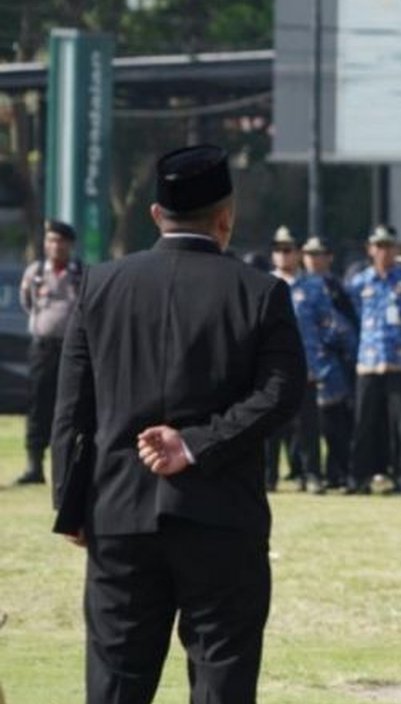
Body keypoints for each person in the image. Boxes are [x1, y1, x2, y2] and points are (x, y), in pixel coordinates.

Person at [51, 144, 307, 703]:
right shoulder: (262, 293)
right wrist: (195, 445)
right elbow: (282, 393)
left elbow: (71, 409)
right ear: (226, 216)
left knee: (117, 682)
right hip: (220, 517)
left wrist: (70, 506)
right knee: (221, 677)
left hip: (118, 514)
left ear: (155, 215)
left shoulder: (99, 286)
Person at [265, 226, 353, 494]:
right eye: (278, 250)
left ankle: (312, 474)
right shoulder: (264, 284)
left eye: (287, 250)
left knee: (308, 426)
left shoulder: (313, 286)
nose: (282, 255)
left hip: (307, 366)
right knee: (271, 426)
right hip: (272, 368)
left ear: (297, 253)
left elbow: (329, 323)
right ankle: (269, 477)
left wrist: (322, 354)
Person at [347, 224, 401, 495]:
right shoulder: (360, 282)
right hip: (369, 360)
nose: (383, 251)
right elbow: (352, 318)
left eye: (388, 246)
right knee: (364, 423)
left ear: (396, 249)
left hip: (400, 361)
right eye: (378, 246)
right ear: (370, 249)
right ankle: (359, 477)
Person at [15, 219, 82, 485]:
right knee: (38, 405)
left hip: (71, 349)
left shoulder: (79, 273)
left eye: (60, 241)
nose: (55, 246)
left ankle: (68, 467)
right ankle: (34, 466)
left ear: (69, 244)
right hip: (42, 348)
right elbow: (27, 303)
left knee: (70, 407)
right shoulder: (35, 273)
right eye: (50, 240)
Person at [301, 235, 359, 491]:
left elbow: (348, 322)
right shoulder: (296, 285)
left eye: (319, 254)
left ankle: (338, 472)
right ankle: (305, 472)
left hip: (334, 361)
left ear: (329, 258)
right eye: (309, 254)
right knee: (306, 424)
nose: (313, 259)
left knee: (336, 421)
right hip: (305, 361)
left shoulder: (337, 287)